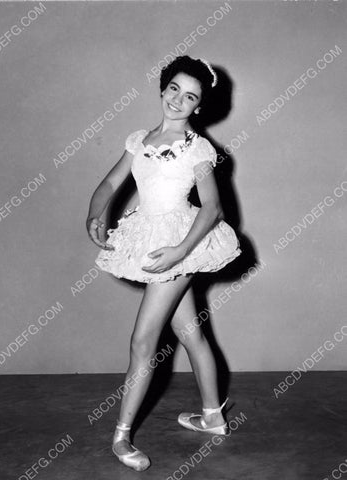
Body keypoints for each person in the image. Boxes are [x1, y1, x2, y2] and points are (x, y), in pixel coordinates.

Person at [86, 55, 241, 471]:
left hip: (181, 244)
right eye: (174, 88)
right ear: (162, 88)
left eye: (190, 96)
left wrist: (179, 252)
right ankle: (212, 418)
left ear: (199, 106)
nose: (178, 99)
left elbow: (212, 210)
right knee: (189, 331)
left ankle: (120, 437)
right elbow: (109, 183)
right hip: (153, 235)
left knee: (142, 342)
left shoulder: (199, 147)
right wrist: (95, 212)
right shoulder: (139, 140)